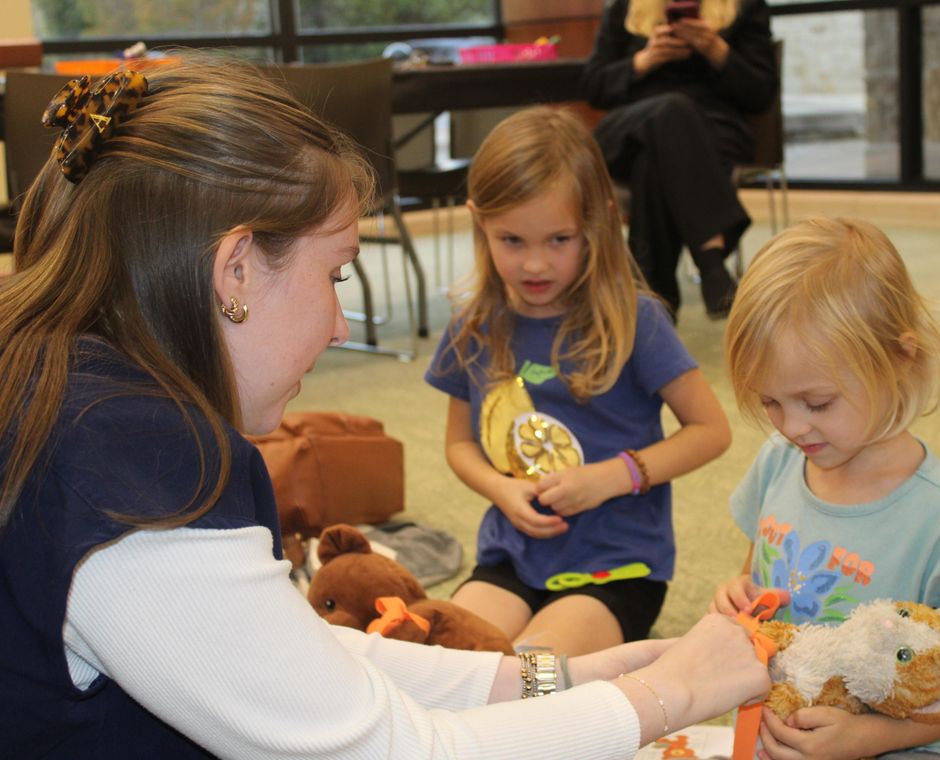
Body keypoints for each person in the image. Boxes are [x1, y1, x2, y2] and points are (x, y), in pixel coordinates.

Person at [0, 56, 771, 758]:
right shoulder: (143, 466)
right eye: (337, 274)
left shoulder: (81, 397)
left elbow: (306, 656)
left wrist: (567, 679)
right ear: (235, 269)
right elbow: (395, 750)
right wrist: (673, 693)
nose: (340, 324)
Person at [425, 106, 732, 657]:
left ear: (599, 220)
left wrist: (616, 476)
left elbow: (711, 430)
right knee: (446, 658)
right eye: (511, 240)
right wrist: (500, 489)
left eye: (559, 239)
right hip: (510, 559)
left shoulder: (637, 320)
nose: (535, 264)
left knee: (534, 674)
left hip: (616, 571)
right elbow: (459, 444)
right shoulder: (473, 327)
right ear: (480, 223)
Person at [711, 218, 940, 759]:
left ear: (898, 360)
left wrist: (867, 737)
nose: (792, 427)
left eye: (817, 403)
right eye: (770, 402)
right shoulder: (779, 462)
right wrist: (738, 597)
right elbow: (758, 577)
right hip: (775, 731)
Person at [580, 0, 778, 320]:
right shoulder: (622, 7)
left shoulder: (746, 7)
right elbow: (593, 86)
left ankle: (656, 302)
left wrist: (716, 50)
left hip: (711, 134)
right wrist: (645, 60)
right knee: (670, 110)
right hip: (628, 131)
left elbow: (761, 94)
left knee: (654, 160)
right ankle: (711, 260)